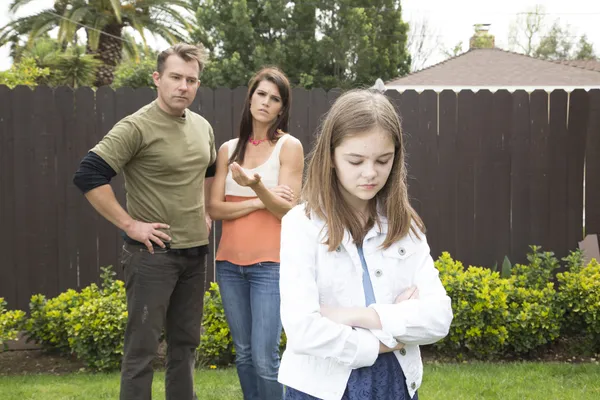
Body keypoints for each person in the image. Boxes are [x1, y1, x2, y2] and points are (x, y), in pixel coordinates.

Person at [278, 89, 453, 400]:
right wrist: (389, 340)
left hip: (395, 382)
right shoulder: (300, 224)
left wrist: (357, 316)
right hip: (320, 387)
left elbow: (439, 318)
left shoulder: (405, 225)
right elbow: (303, 330)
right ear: (330, 156)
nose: (370, 173)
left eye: (383, 160)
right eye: (355, 160)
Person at [72, 43, 215, 400]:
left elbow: (209, 169)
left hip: (195, 254)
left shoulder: (202, 126)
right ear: (157, 78)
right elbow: (89, 175)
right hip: (153, 257)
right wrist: (130, 224)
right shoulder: (136, 126)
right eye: (176, 77)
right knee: (142, 350)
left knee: (185, 346)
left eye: (192, 80)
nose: (184, 86)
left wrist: (206, 209)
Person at [208, 67, 304, 400]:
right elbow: (214, 209)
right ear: (250, 98)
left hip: (270, 266)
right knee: (244, 354)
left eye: (274, 98)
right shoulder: (228, 150)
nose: (265, 102)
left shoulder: (289, 147)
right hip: (229, 266)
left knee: (266, 359)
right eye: (260, 94)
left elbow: (287, 212)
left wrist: (257, 186)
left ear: (282, 108)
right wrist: (260, 199)